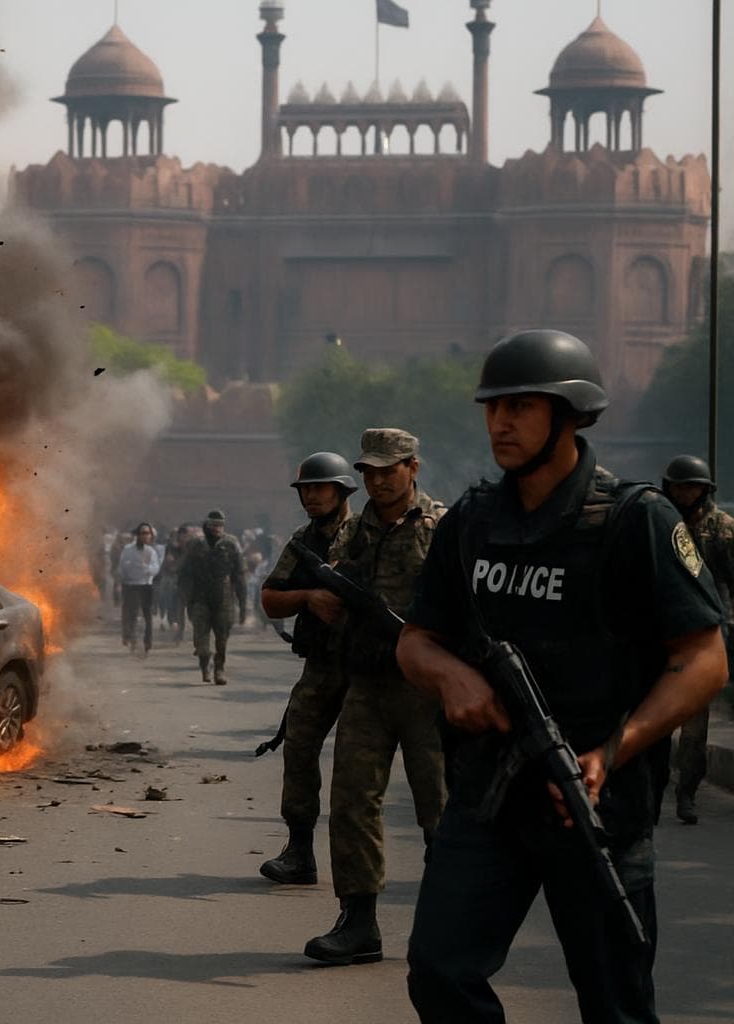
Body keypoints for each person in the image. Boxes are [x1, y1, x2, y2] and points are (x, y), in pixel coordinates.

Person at [399, 330, 726, 1022]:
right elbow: (416, 642)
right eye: (493, 407)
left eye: (521, 406)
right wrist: (452, 678)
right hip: (488, 797)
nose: (500, 423)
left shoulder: (636, 520)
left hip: (593, 804)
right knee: (438, 970)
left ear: (570, 415)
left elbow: (703, 659)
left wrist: (614, 751)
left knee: (616, 1005)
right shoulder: (470, 523)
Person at [306, 428, 446, 966]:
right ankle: (358, 921)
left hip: (425, 688)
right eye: (369, 472)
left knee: (439, 808)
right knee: (352, 802)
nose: (378, 481)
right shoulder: (353, 531)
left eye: (389, 470)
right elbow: (329, 582)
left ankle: (446, 920)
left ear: (413, 467)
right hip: (366, 683)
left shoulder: (443, 527)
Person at [257, 451, 358, 885]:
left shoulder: (366, 535)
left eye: (320, 488)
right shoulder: (302, 542)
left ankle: (360, 868)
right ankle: (299, 850)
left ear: (341, 490)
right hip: (322, 663)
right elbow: (270, 597)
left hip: (365, 664)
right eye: (306, 490)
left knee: (358, 765)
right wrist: (308, 597)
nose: (312, 497)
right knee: (298, 745)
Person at [660, 454, 734, 825]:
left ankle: (686, 792)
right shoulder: (658, 522)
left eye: (693, 486)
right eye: (679, 485)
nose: (685, 492)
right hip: (658, 632)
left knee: (693, 725)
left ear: (704, 489)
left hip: (704, 634)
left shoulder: (721, 528)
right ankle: (651, 787)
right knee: (650, 717)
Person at [179, 510, 247, 684]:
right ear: (207, 526)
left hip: (224, 597)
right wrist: (185, 599)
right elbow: (186, 574)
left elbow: (239, 575)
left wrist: (243, 603)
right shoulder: (196, 544)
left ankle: (219, 669)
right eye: (213, 525)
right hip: (200, 597)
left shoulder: (231, 544)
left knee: (222, 637)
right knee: (201, 639)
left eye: (220, 525)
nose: (217, 528)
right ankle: (204, 665)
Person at [117, 523, 163, 656]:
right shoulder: (128, 549)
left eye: (147, 533)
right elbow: (121, 567)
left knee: (147, 616)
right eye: (143, 533)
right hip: (130, 585)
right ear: (137, 535)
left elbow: (156, 568)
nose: (145, 536)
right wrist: (125, 574)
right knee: (130, 614)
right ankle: (131, 639)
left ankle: (147, 643)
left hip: (145, 586)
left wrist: (147, 569)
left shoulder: (150, 552)